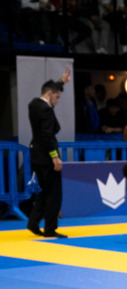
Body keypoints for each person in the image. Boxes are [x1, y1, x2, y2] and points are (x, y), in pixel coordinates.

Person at [27, 68, 71, 239]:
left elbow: (52, 88)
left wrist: (61, 82)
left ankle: (33, 222)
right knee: (54, 193)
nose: (58, 101)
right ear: (49, 94)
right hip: (47, 156)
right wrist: (55, 158)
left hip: (36, 154)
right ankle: (50, 229)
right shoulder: (45, 109)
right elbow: (47, 134)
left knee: (45, 191)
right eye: (57, 97)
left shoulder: (33, 104)